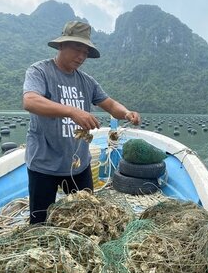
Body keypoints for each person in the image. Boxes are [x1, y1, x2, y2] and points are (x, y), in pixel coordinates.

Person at [23, 20, 141, 224]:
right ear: (61, 45)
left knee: (87, 220)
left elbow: (111, 104)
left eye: (86, 52)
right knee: (40, 224)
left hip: (78, 164)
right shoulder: (40, 71)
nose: (81, 56)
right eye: (77, 48)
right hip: (43, 164)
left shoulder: (87, 81)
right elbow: (30, 101)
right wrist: (71, 111)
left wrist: (127, 113)